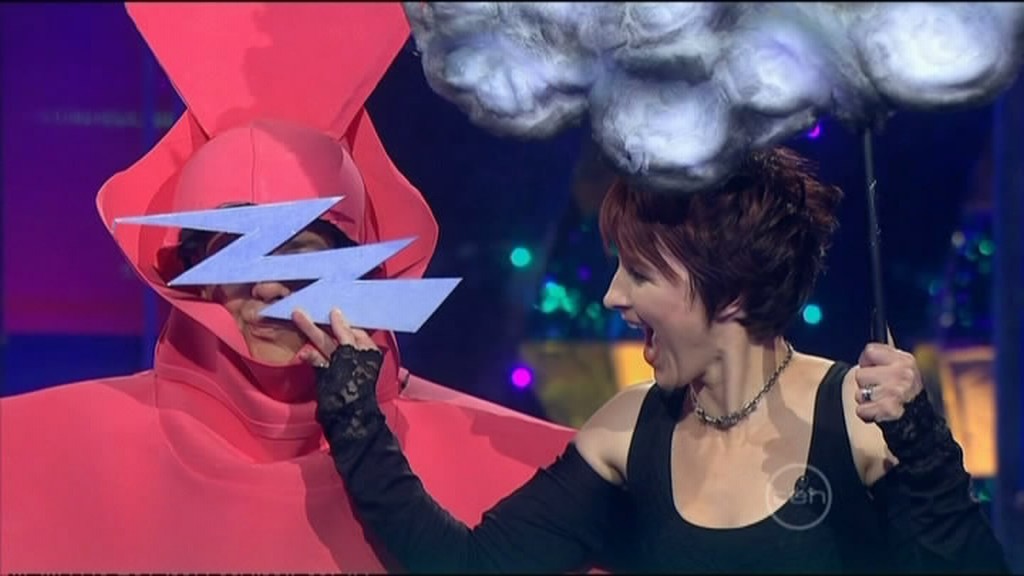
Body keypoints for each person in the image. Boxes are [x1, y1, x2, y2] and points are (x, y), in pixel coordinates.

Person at [0, 4, 575, 573]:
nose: (270, 285)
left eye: (301, 254)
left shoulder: (526, 468)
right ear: (190, 274)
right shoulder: (37, 451)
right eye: (234, 259)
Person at [304, 147, 1010, 573]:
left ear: (732, 290)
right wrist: (354, 415)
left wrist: (922, 446)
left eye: (640, 273)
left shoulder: (859, 419)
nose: (612, 295)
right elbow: (466, 566)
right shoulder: (624, 432)